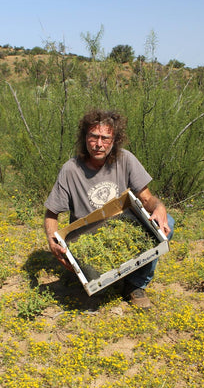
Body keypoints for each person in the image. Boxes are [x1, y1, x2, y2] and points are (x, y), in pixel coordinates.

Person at [44, 108, 174, 309]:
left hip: (121, 228)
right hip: (87, 238)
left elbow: (147, 199)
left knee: (168, 224)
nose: (98, 144)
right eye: (93, 137)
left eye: (105, 138)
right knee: (93, 289)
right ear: (84, 137)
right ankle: (96, 278)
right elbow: (52, 213)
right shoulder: (71, 169)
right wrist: (53, 242)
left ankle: (135, 284)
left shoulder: (126, 159)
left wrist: (159, 208)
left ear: (114, 141)